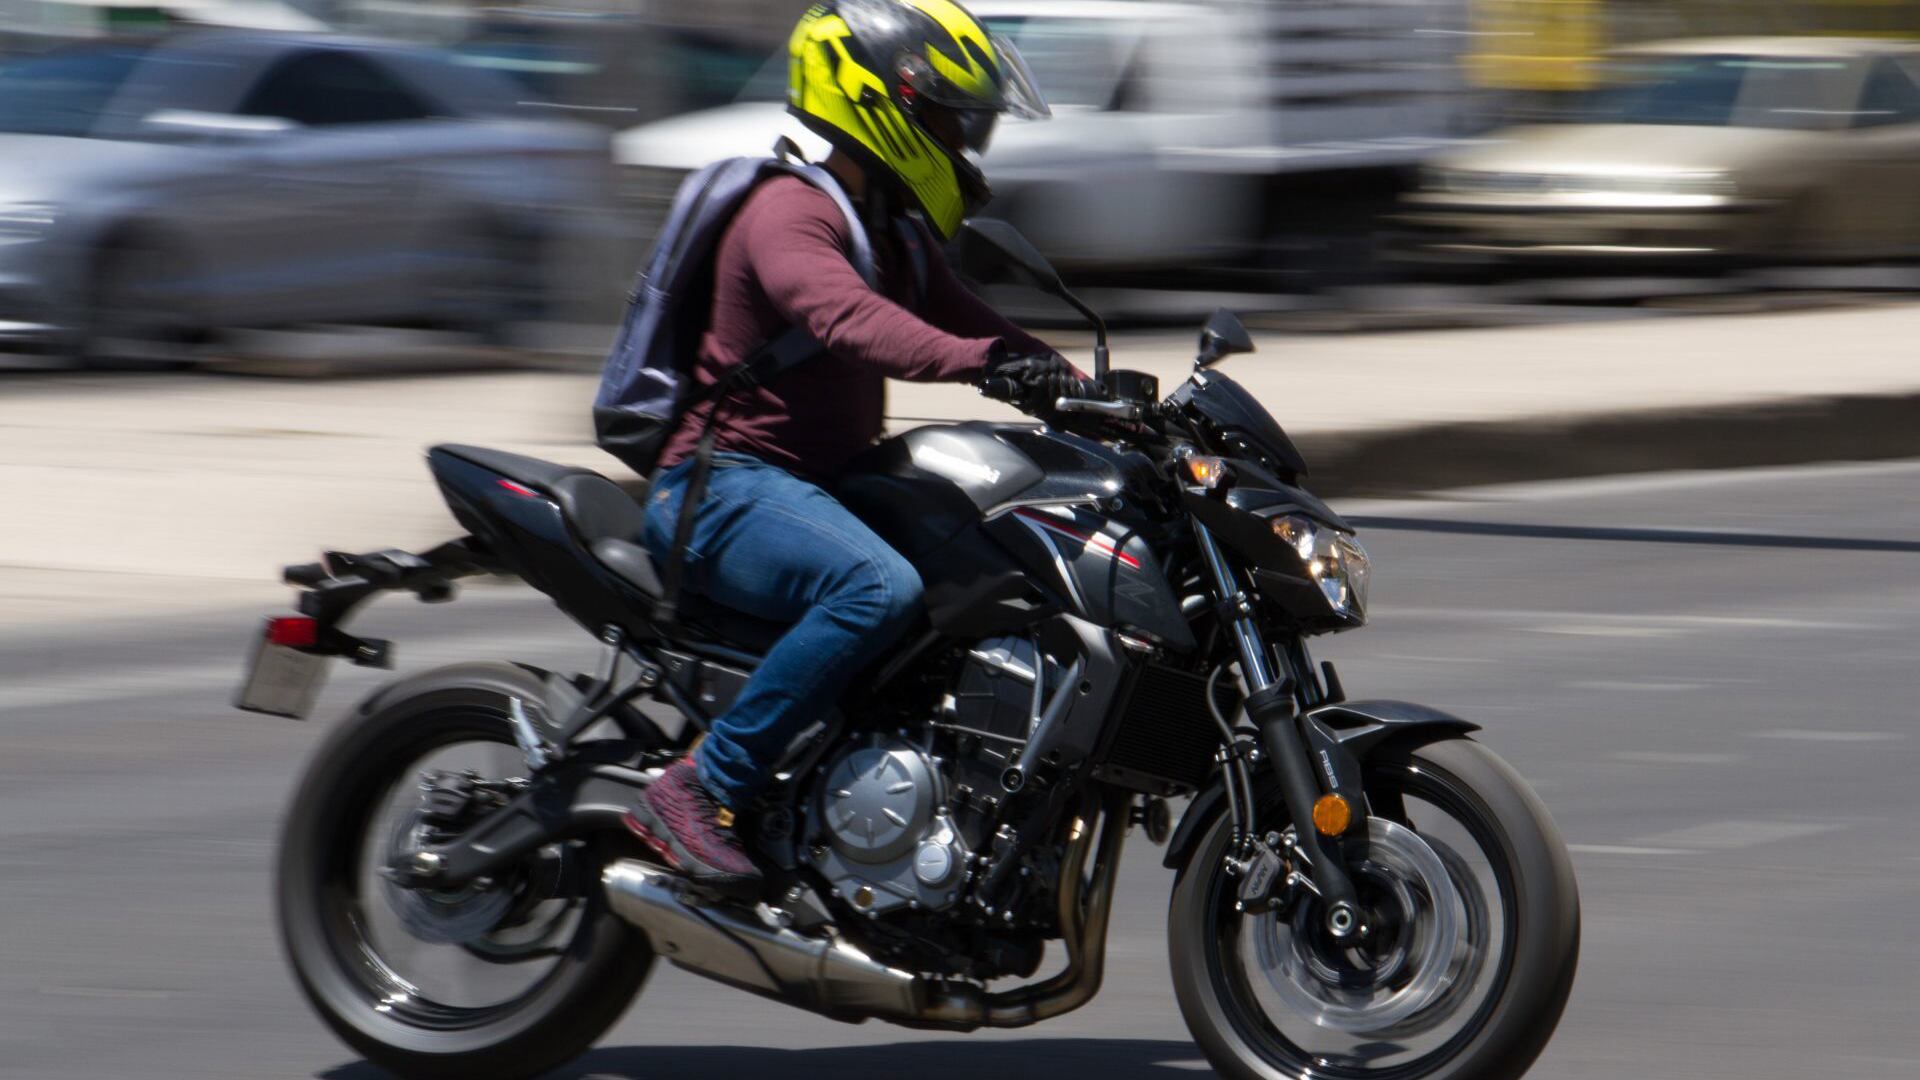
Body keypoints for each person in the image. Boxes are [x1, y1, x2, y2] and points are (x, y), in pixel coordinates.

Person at [622, 0, 1100, 900]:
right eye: (955, 120)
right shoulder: (787, 213)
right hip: (723, 488)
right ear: (886, 105)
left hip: (814, 488)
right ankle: (698, 788)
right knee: (876, 587)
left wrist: (1091, 392)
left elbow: (978, 323)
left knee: (990, 569)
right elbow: (849, 322)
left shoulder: (893, 232)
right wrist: (991, 367)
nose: (968, 142)